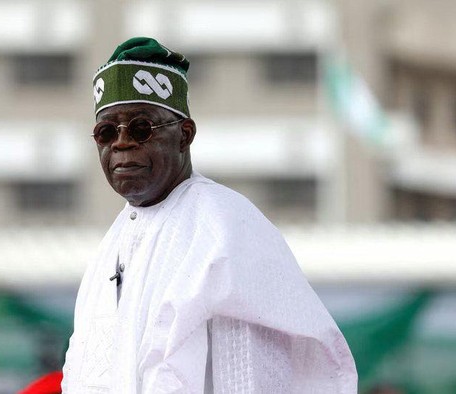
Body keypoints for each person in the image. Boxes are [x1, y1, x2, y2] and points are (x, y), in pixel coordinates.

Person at [62, 37, 357, 393]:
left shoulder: (225, 228)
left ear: (184, 135)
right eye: (106, 132)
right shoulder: (111, 244)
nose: (122, 143)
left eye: (141, 128)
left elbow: (250, 377)